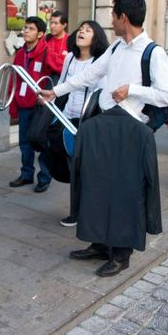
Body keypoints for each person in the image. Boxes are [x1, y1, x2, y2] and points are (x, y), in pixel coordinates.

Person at [40, 0, 168, 277]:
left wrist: (133, 89)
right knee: (97, 186)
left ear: (123, 18)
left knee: (125, 193)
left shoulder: (153, 52)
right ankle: (100, 244)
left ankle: (121, 254)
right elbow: (89, 75)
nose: (111, 20)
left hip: (129, 133)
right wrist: (57, 91)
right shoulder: (115, 48)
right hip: (103, 127)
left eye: (113, 14)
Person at [57, 20, 109, 227]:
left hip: (88, 122)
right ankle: (76, 211)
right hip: (68, 117)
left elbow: (101, 95)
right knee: (74, 167)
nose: (82, 32)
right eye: (80, 29)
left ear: (96, 38)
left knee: (86, 169)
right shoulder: (69, 58)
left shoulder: (100, 62)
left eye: (88, 30)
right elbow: (62, 85)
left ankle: (86, 211)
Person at [9, 16, 53, 193]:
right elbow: (15, 80)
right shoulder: (20, 53)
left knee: (42, 143)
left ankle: (45, 177)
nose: (26, 31)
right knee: (24, 143)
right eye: (25, 28)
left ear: (41, 34)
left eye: (31, 29)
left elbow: (58, 74)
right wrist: (14, 105)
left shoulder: (47, 51)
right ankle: (27, 175)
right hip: (24, 105)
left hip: (41, 107)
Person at [44, 10, 69, 80]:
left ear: (64, 25)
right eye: (51, 23)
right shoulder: (45, 39)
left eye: (55, 23)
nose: (52, 26)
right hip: (45, 81)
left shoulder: (71, 41)